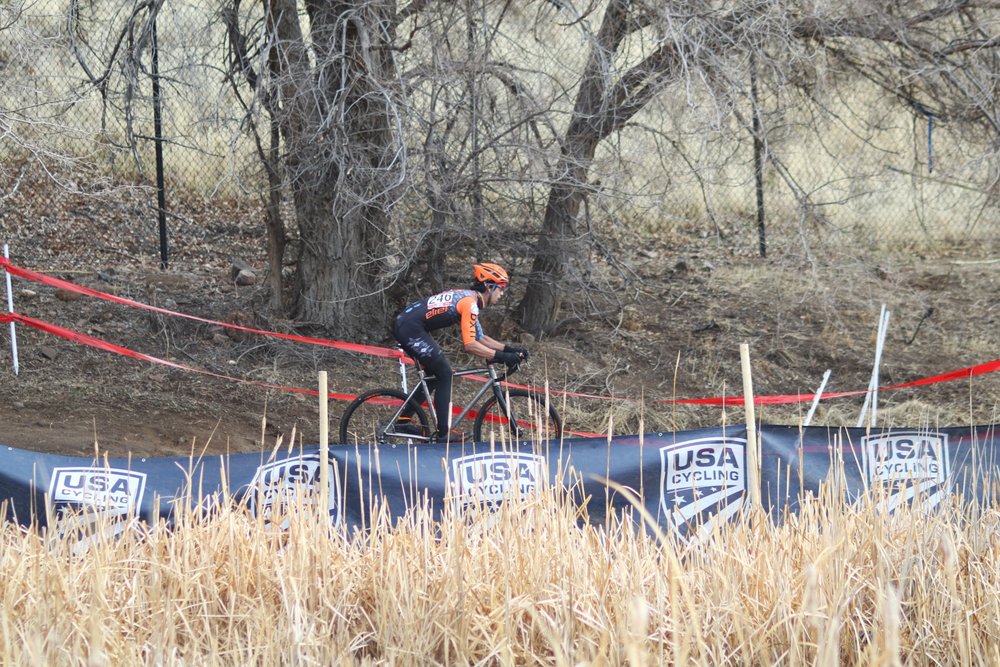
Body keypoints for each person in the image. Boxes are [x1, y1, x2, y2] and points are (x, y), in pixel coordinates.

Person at [392, 262, 529, 442]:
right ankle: (444, 434)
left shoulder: (470, 300)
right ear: (489, 286)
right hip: (410, 328)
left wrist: (511, 350)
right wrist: (501, 357)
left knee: (434, 376)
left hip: (408, 324)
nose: (502, 294)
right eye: (501, 289)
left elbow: (480, 338)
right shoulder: (470, 303)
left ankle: (402, 422)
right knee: (445, 374)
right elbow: (470, 345)